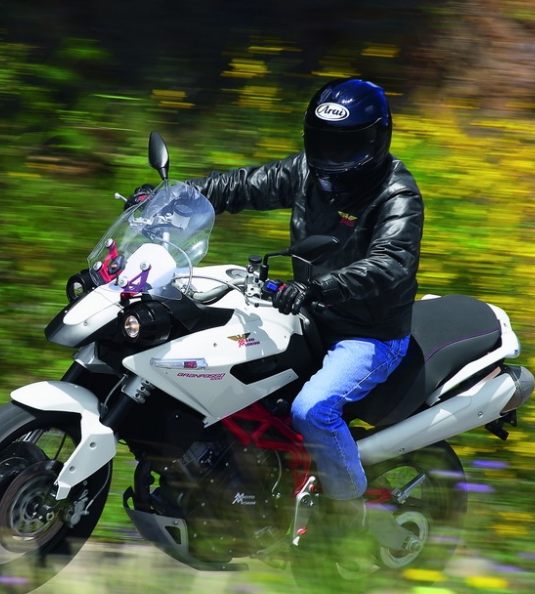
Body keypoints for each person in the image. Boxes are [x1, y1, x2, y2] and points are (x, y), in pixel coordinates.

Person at [128, 78, 424, 553]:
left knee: (313, 410)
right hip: (306, 312)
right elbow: (241, 186)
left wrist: (318, 287)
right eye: (324, 142)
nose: (333, 156)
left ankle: (349, 513)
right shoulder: (308, 170)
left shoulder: (397, 194)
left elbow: (391, 263)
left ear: (377, 140)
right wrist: (172, 199)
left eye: (347, 145)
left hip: (367, 334)